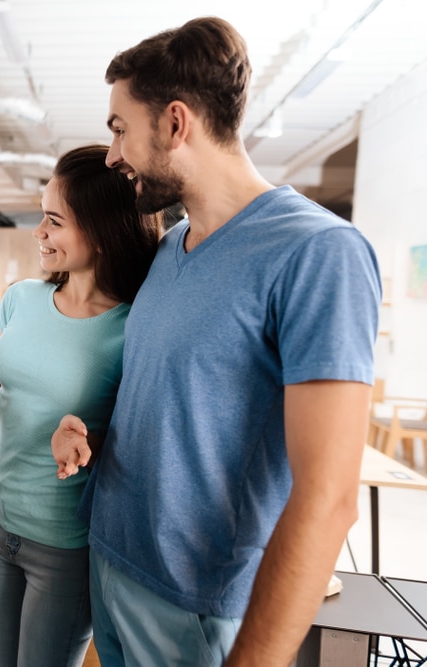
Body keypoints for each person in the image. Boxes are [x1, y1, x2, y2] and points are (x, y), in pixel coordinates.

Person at [51, 16, 381, 666]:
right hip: (112, 566)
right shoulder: (173, 245)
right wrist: (86, 425)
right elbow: (173, 398)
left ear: (176, 123)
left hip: (194, 604)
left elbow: (330, 498)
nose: (111, 154)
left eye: (120, 129)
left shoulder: (319, 253)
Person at [0, 143, 160, 667]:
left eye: (54, 221)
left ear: (103, 231)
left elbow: (146, 444)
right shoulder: (21, 299)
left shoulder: (134, 328)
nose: (39, 232)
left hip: (65, 542)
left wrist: (85, 439)